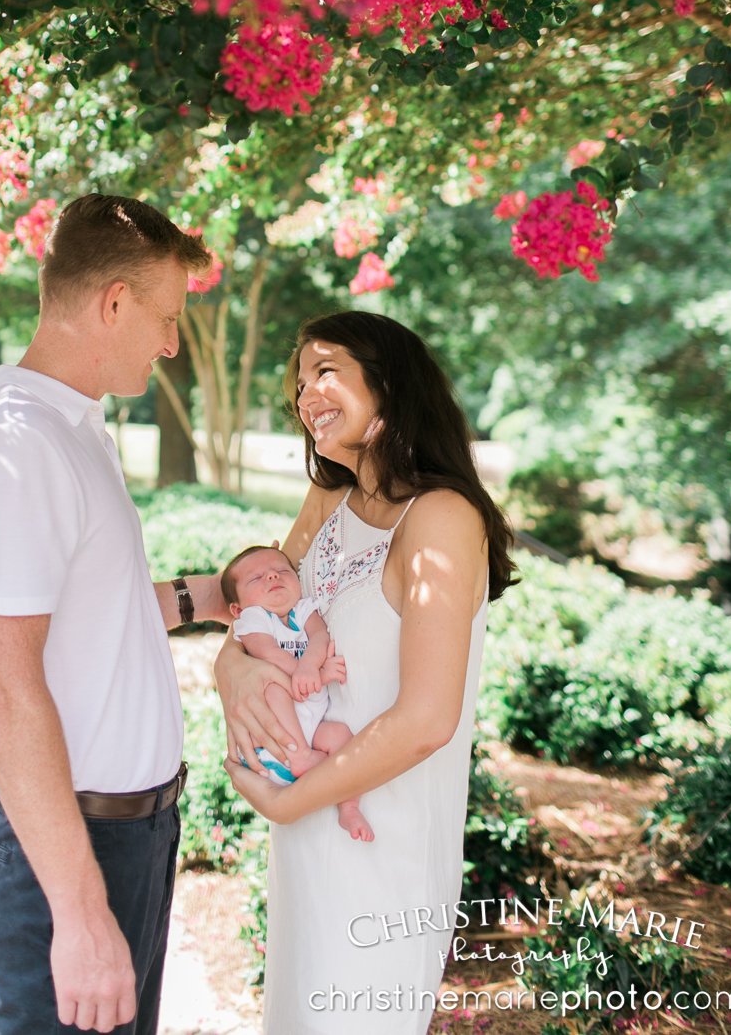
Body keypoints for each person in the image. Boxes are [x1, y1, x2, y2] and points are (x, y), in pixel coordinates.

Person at [0, 194, 235, 1035]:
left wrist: (207, 597)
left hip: (121, 842)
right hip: (67, 854)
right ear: (113, 303)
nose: (172, 343)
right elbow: (0, 678)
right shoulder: (18, 445)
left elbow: (81, 616)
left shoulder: (69, 430)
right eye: (166, 317)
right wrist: (80, 908)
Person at [215, 311, 518, 1035]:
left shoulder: (440, 517)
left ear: (388, 386)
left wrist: (291, 802)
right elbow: (261, 609)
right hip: (306, 830)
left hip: (383, 840)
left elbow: (426, 720)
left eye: (326, 372)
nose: (304, 393)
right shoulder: (331, 499)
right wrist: (230, 666)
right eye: (298, 382)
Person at [223, 544, 374, 840]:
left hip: (310, 724)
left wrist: (309, 665)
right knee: (271, 685)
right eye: (257, 579)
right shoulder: (252, 619)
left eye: (281, 571)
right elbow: (267, 654)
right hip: (270, 746)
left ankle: (349, 807)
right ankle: (301, 755)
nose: (271, 578)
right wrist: (315, 674)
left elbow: (319, 636)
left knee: (340, 735)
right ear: (237, 608)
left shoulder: (303, 610)